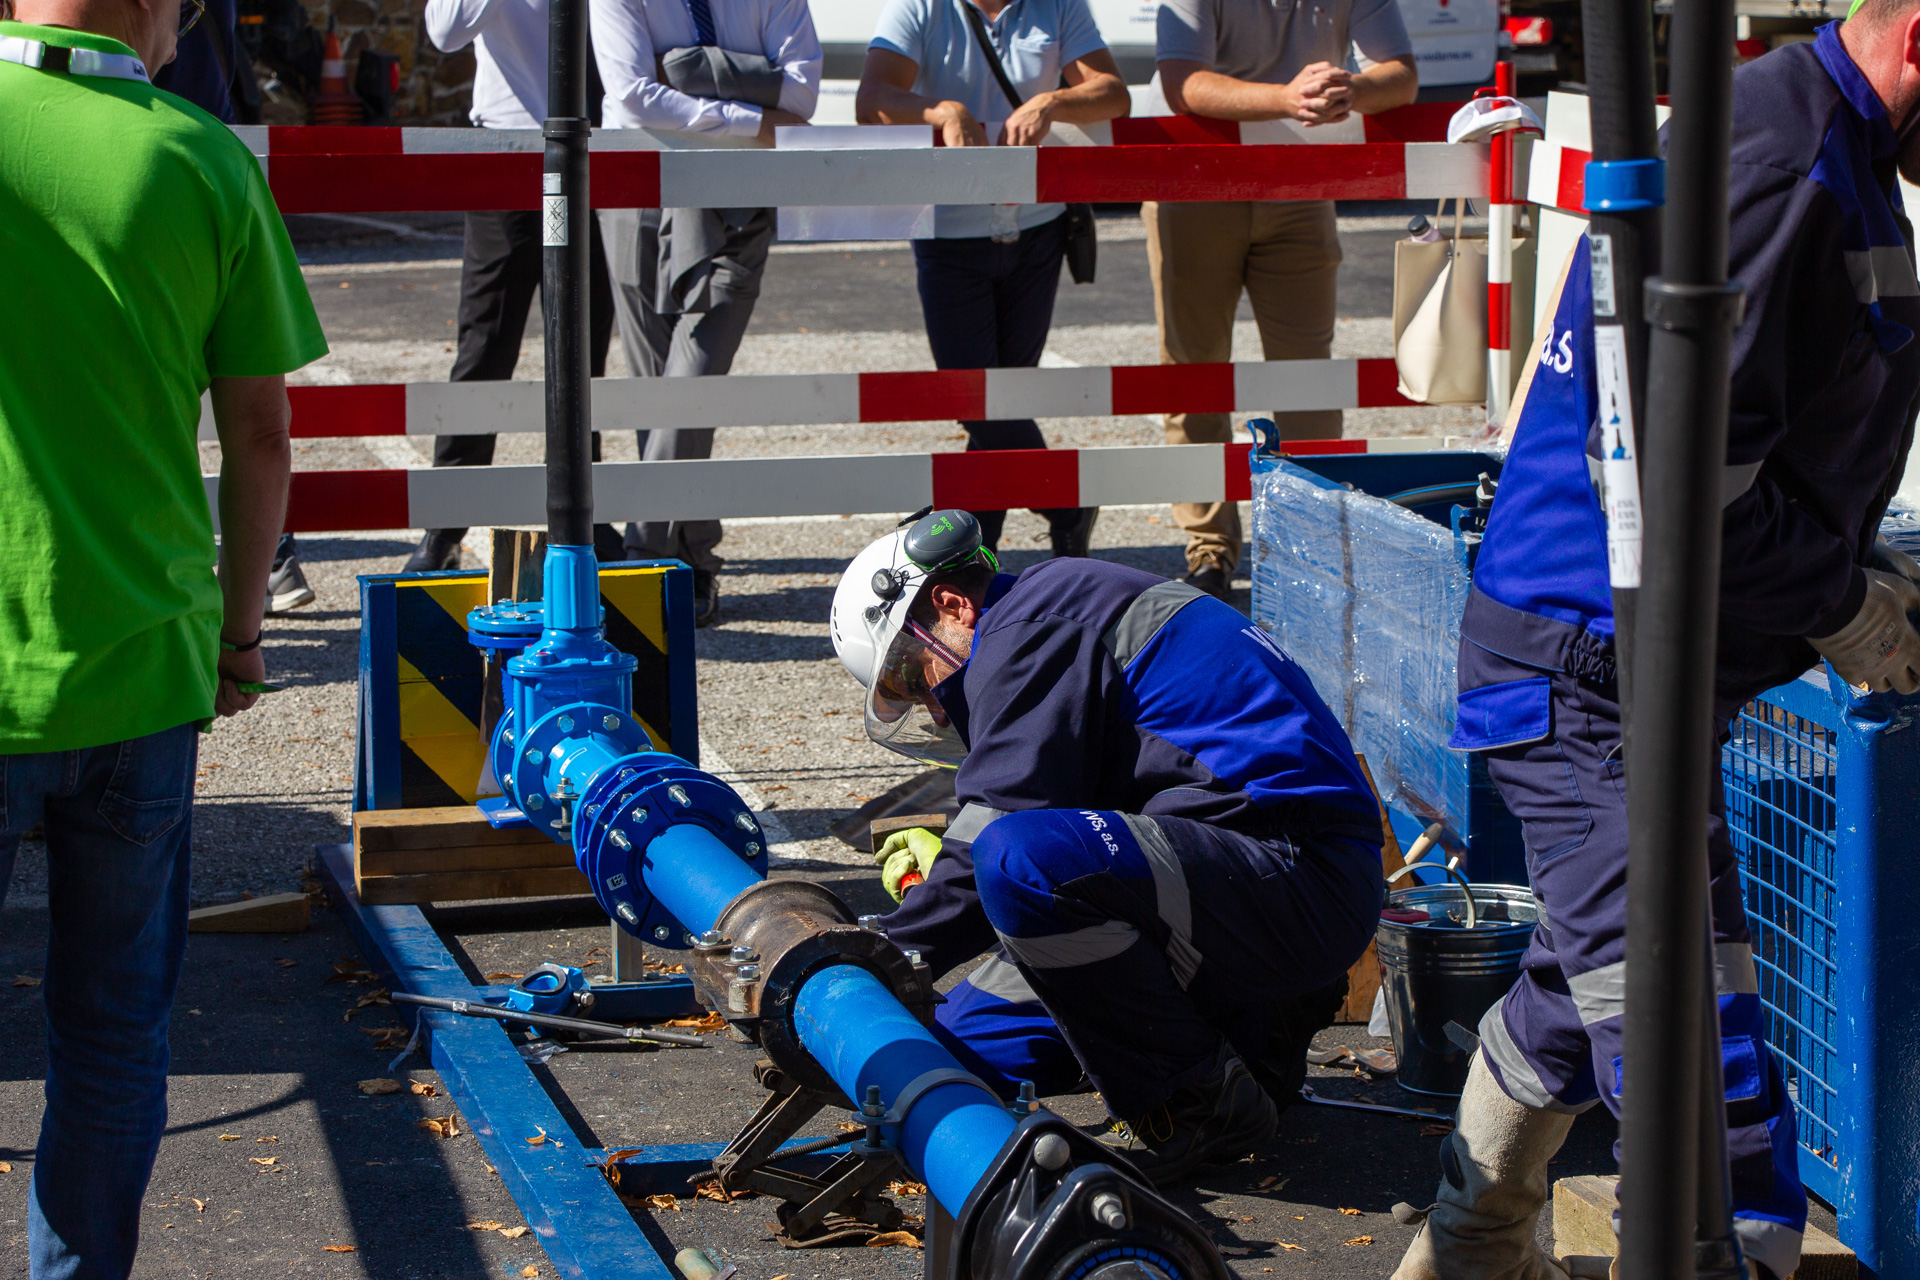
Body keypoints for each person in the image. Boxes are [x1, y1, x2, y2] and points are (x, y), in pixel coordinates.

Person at [1389, 13, 1920, 1280]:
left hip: (1637, 674)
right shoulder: (1784, 160)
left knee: (1589, 993)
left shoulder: (1832, 148)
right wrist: (1843, 602)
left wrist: (1864, 566)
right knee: (1694, 1056)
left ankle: (1472, 1240)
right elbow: (1675, 475)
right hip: (1586, 673)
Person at [0, 0, 325, 1269]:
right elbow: (261, 435)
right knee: (112, 1034)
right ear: (157, 12)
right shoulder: (201, 159)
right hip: (144, 663)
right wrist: (240, 636)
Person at [828, 508, 1386, 1183]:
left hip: (1291, 878)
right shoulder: (1055, 612)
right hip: (1254, 881)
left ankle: (1196, 1100)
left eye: (916, 678)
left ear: (951, 606)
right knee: (948, 1052)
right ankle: (1246, 1042)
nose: (934, 707)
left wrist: (875, 957)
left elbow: (1004, 826)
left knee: (1017, 858)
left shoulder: (1031, 625)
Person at [1147, 0, 1415, 599]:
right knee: (1194, 376)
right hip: (1196, 183)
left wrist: (1351, 88)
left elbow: (1402, 74)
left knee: (1308, 379)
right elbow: (1182, 83)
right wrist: (1288, 98)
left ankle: (1311, 546)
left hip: (1301, 185)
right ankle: (1210, 550)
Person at [854, 0, 1126, 559]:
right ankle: (1066, 505)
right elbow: (872, 100)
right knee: (975, 400)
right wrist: (943, 111)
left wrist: (1053, 100)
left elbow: (1113, 93)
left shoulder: (1058, 5)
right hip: (950, 230)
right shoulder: (920, 8)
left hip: (1038, 226)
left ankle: (978, 550)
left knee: (1003, 401)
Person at [589, 0, 821, 627]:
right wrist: (751, 110)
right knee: (654, 390)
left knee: (691, 380)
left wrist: (684, 72)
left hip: (737, 195)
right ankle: (691, 558)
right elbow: (633, 95)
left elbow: (801, 96)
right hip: (636, 182)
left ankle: (642, 557)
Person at [405, 0, 623, 574]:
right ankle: (447, 522)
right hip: (506, 152)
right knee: (485, 344)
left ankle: (589, 517)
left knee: (584, 348)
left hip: (589, 150)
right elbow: (445, 31)